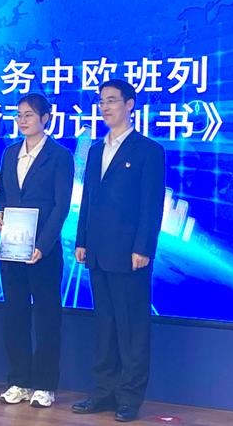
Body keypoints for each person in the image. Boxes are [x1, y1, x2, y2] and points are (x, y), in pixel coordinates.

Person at [71, 79, 165, 422]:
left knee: (132, 328)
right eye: (101, 101)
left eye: (112, 100)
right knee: (105, 326)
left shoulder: (148, 150)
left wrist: (143, 247)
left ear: (130, 105)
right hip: (98, 251)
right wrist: (82, 240)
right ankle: (103, 391)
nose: (105, 107)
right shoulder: (97, 149)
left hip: (130, 255)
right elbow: (88, 199)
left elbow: (151, 205)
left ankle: (129, 397)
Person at [0, 93, 74, 408]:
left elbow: (61, 206)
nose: (22, 120)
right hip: (13, 248)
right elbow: (2, 193)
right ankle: (19, 381)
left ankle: (45, 385)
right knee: (14, 315)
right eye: (19, 115)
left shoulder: (59, 156)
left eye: (28, 115)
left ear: (45, 118)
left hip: (43, 252)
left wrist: (43, 245)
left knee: (46, 318)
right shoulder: (10, 152)